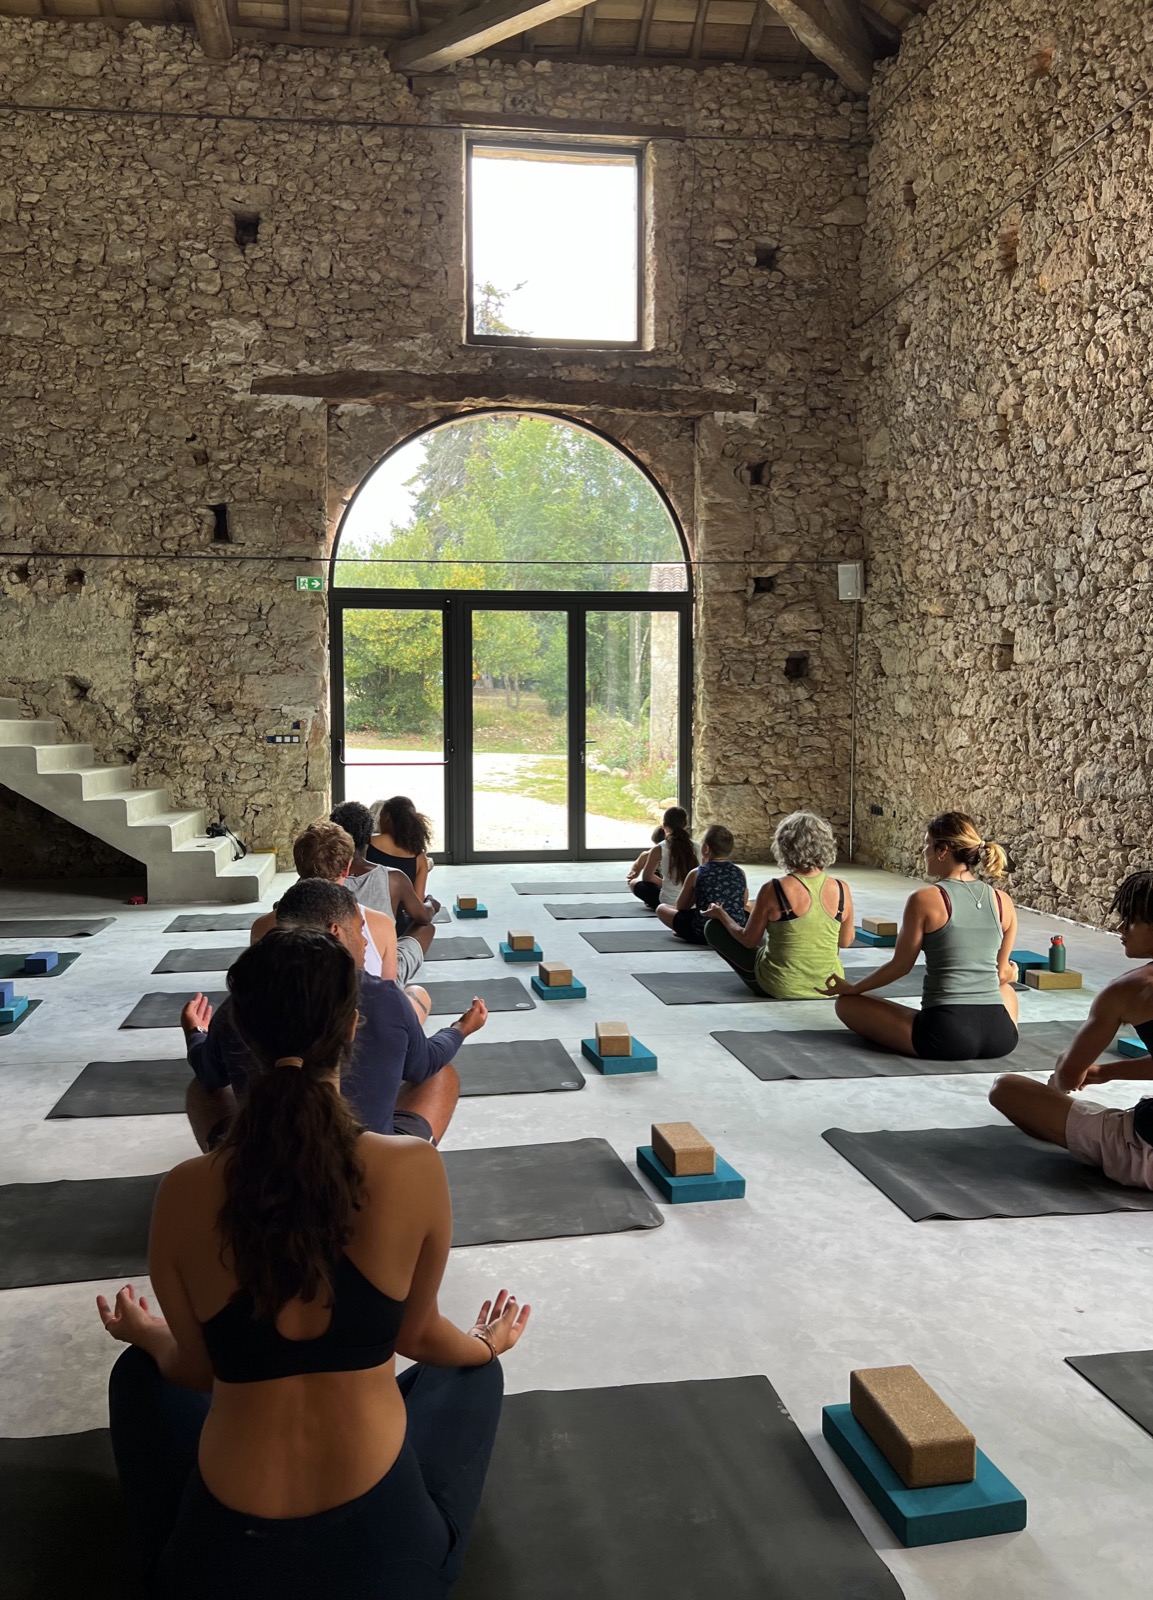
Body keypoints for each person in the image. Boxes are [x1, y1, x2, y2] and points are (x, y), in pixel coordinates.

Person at [99, 926, 529, 1599]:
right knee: (473, 1372)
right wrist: (484, 1343)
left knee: (139, 1374)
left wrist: (144, 1333)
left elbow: (196, 1367)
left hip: (217, 1570)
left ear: (239, 1029)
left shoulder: (185, 1188)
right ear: (352, 1028)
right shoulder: (412, 1168)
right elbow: (418, 1337)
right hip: (385, 1563)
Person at [183, 878, 484, 1152]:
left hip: (257, 1164)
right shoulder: (381, 996)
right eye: (359, 929)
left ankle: (223, 1160)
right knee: (440, 1073)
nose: (365, 940)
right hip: (370, 1162)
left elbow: (209, 1074)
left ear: (246, 1028)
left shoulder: (243, 1000)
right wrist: (460, 1028)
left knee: (201, 1088)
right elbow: (423, 1066)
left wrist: (196, 1034)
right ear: (350, 1026)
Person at [989, 870, 1153, 1184]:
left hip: (1145, 1153)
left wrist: (1068, 1079)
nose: (1120, 928)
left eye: (1130, 919)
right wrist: (1106, 1072)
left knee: (1006, 1088)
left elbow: (1067, 1073)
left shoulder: (1130, 988)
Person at [821, 811, 1018, 1059]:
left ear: (942, 850)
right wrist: (1011, 972)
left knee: (847, 1004)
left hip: (945, 1036)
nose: (923, 852)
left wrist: (852, 988)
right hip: (1001, 1037)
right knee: (1006, 990)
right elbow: (1001, 975)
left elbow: (900, 967)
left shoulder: (925, 899)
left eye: (926, 844)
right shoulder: (1003, 901)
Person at [704, 810, 854, 998]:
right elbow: (846, 941)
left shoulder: (773, 888)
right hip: (831, 986)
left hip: (782, 986)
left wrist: (721, 915)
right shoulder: (842, 888)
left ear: (784, 846)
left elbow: (748, 941)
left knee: (713, 928)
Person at [250, 821, 404, 985]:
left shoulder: (261, 927)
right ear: (347, 869)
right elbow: (387, 992)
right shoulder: (381, 925)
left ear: (299, 867)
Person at [331, 800, 437, 982]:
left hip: (332, 969)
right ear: (368, 837)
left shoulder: (320, 876)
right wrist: (432, 905)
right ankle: (393, 983)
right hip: (382, 975)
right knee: (426, 927)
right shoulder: (395, 878)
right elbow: (422, 917)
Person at [657, 824, 748, 946]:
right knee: (750, 906)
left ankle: (682, 931)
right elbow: (743, 902)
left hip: (703, 933)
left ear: (705, 849)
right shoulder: (739, 872)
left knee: (662, 908)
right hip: (734, 931)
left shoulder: (696, 873)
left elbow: (681, 906)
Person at [629, 806, 699, 912]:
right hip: (693, 904)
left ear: (664, 825)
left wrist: (665, 884)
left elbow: (647, 877)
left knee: (634, 883)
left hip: (668, 903)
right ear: (686, 824)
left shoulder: (660, 848)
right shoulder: (698, 847)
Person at [369, 797, 434, 905]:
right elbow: (418, 901)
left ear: (387, 817)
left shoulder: (366, 843)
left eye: (380, 816)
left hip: (367, 916)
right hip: (400, 920)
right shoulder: (419, 856)